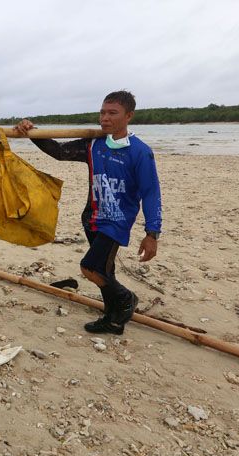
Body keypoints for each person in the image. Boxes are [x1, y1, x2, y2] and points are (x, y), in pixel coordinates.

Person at [14, 90, 162, 335]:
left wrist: (152, 233)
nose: (105, 118)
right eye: (102, 112)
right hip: (91, 217)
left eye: (112, 113)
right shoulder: (93, 144)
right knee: (105, 270)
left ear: (129, 116)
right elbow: (60, 152)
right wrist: (33, 132)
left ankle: (125, 299)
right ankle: (113, 319)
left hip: (117, 221)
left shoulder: (140, 152)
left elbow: (151, 192)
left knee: (90, 268)